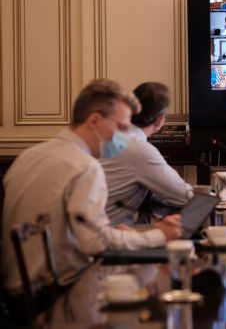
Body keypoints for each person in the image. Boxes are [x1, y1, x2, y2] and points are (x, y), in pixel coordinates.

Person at [1, 79, 183, 294]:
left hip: (16, 292)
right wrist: (159, 235)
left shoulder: (28, 156)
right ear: (94, 120)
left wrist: (128, 236)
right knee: (160, 286)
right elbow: (97, 242)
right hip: (60, 293)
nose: (124, 139)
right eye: (121, 128)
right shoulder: (85, 167)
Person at [101, 82, 195, 225]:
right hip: (112, 231)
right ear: (160, 120)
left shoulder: (107, 136)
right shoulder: (141, 151)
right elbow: (185, 197)